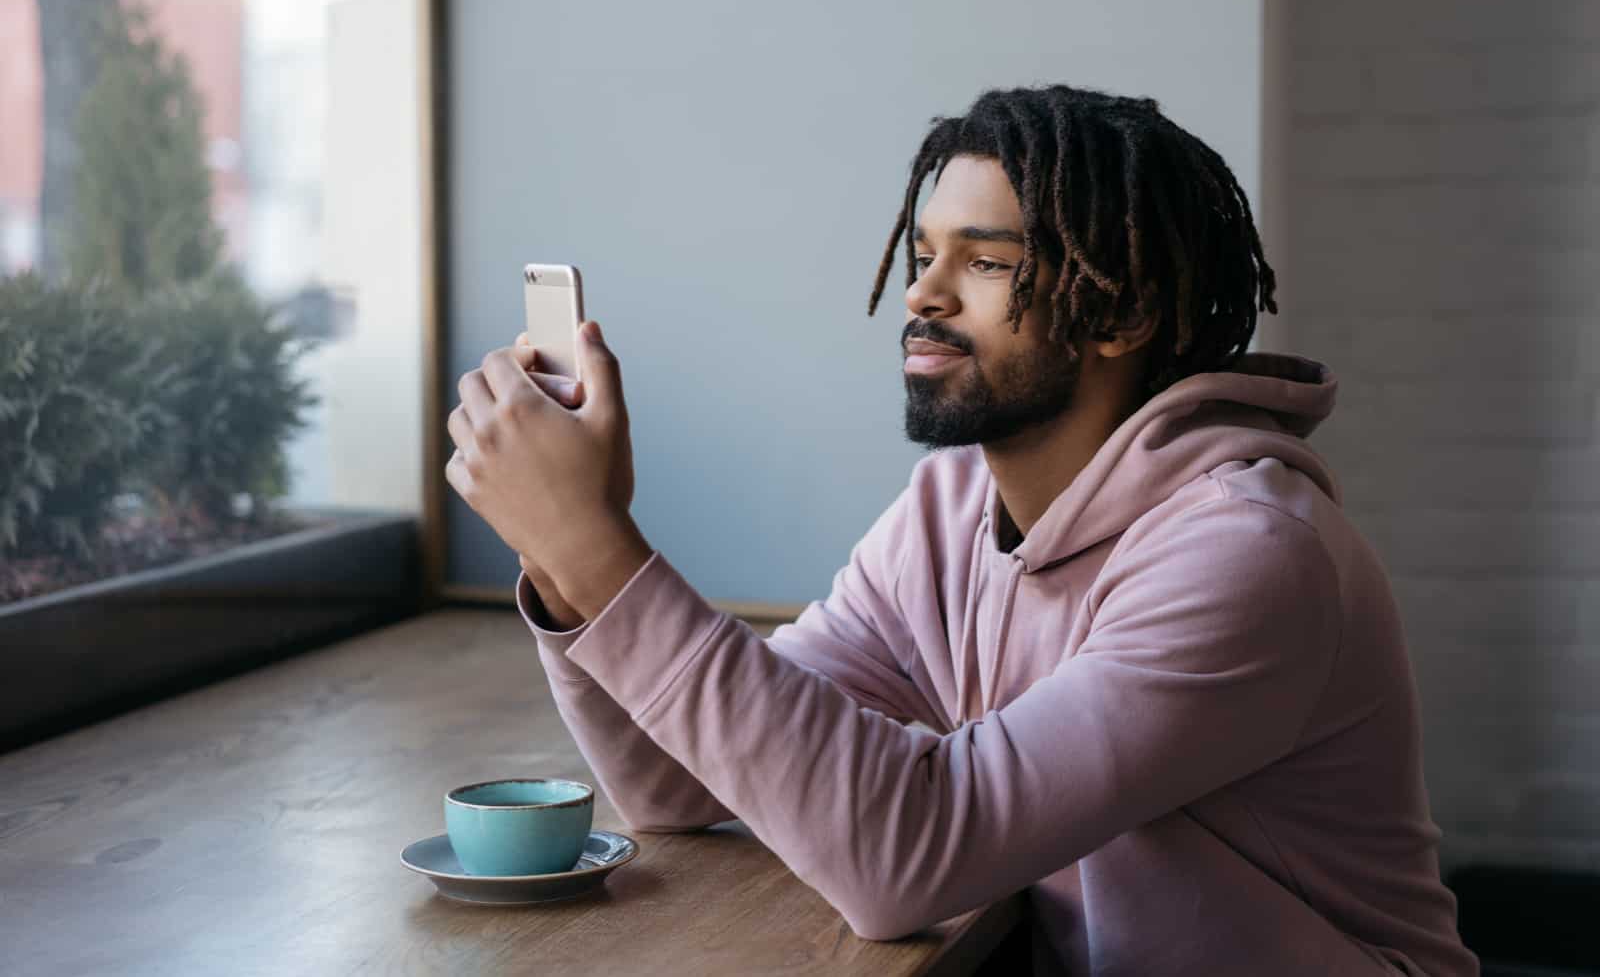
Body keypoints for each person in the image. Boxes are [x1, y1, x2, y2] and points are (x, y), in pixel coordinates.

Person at [444, 84, 1479, 976]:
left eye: (983, 264)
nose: (922, 294)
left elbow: (910, 859)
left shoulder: (1245, 556)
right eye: (925, 251)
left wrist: (595, 546)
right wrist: (561, 544)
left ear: (1120, 314)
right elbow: (680, 782)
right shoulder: (947, 517)